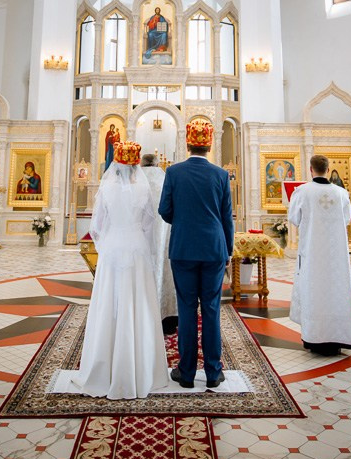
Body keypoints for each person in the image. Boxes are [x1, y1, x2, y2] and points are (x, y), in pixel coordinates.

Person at [65, 141, 168, 398]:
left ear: (116, 164)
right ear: (135, 166)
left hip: (112, 250)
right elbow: (148, 224)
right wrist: (142, 244)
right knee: (138, 305)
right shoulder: (143, 189)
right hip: (136, 248)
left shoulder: (107, 186)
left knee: (108, 305)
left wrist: (106, 246)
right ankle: (141, 371)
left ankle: (103, 368)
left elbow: (97, 227)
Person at [158, 120, 235, 388]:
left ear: (188, 144)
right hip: (214, 249)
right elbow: (227, 217)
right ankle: (213, 372)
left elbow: (164, 210)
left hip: (183, 249)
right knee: (211, 309)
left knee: (187, 309)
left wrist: (183, 220)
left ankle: (187, 372)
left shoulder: (174, 172)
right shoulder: (220, 175)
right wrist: (228, 249)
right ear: (209, 144)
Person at [289, 154, 351, 356]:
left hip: (312, 252)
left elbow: (294, 218)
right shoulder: (341, 193)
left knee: (313, 290)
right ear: (328, 170)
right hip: (336, 256)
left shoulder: (302, 192)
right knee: (336, 290)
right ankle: (337, 337)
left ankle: (314, 338)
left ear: (311, 169)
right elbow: (346, 218)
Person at [141, 154, 177, 336]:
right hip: (165, 234)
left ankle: (140, 317)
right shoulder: (165, 177)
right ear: (157, 163)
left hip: (140, 239)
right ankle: (167, 318)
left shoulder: (135, 178)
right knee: (164, 269)